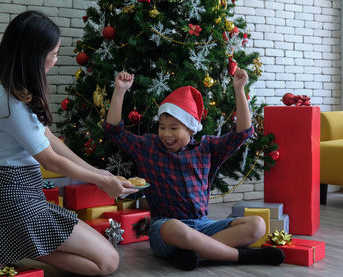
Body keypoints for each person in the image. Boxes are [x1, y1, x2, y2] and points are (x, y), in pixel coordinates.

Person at [0, 11, 138, 275]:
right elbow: (50, 159)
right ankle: (16, 245)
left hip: (24, 195)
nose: (56, 59)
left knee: (108, 256)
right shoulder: (7, 99)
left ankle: (13, 246)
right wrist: (100, 181)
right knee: (108, 262)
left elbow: (49, 138)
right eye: (53, 53)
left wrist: (98, 172)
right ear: (34, 55)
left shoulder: (17, 91)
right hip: (14, 199)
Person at [104, 71, 285, 271]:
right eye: (162, 127)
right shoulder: (148, 147)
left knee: (258, 225)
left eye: (174, 128)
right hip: (165, 229)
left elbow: (243, 133)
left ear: (191, 128)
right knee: (175, 227)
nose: (166, 134)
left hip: (203, 225)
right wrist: (120, 90)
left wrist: (239, 89)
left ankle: (193, 254)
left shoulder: (207, 148)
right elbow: (114, 131)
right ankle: (239, 256)